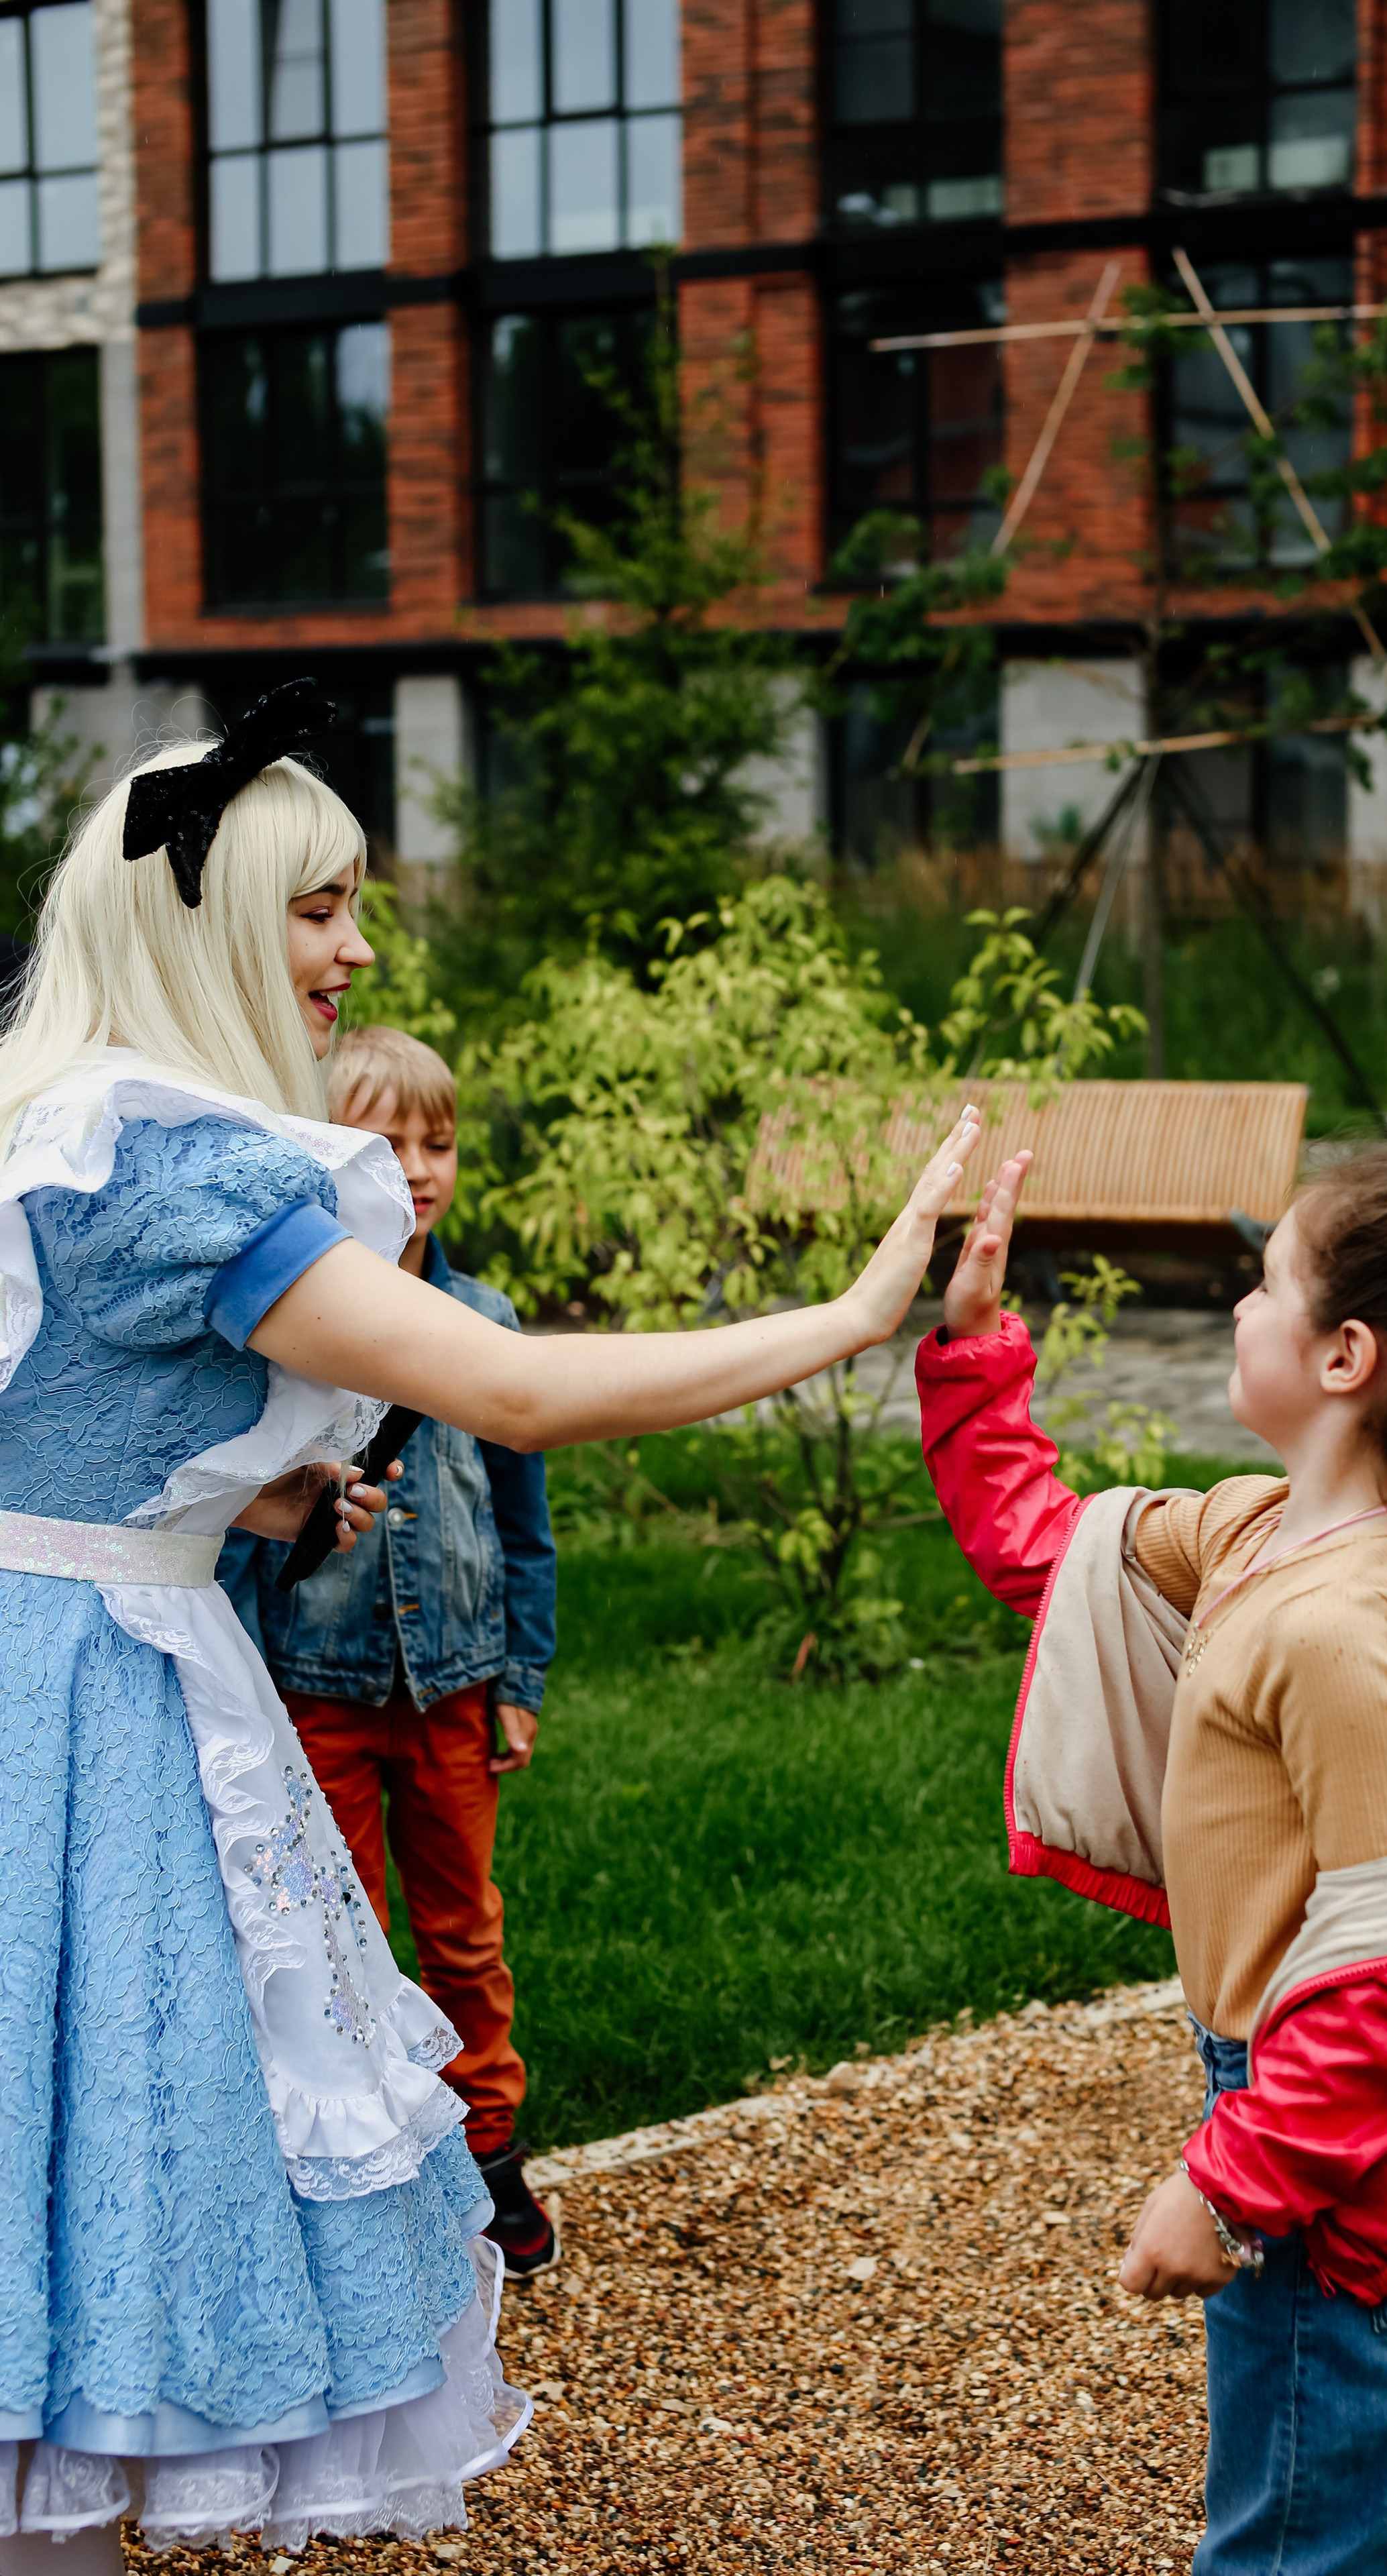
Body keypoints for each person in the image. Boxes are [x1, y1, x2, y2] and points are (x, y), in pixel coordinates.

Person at [0, 684, 978, 2569]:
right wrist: (857, 1319)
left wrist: (236, 1489)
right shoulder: (191, 1171)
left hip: (48, 1659)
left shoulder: (49, 1125)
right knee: (90, 2150)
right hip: (89, 1712)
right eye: (316, 907)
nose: (357, 948)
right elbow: (515, 1394)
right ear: (202, 923)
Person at [917, 1144, 1387, 2575]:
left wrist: (1224, 2186)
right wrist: (976, 1352)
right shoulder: (1258, 1530)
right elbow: (1053, 1558)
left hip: (1330, 2191)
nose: (1231, 1305)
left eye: (1262, 1282)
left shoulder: (1337, 1634)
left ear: (1343, 1355)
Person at [217, 1024, 561, 2279]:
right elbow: (240, 1536)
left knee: (463, 1929)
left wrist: (519, 1679)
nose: (416, 1166)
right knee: (336, 1937)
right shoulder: (294, 1329)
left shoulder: (485, 1319)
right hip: (319, 1696)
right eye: (383, 1140)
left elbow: (524, 1527)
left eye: (440, 1141)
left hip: (454, 1688)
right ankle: (373, 2160)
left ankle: (487, 2142)